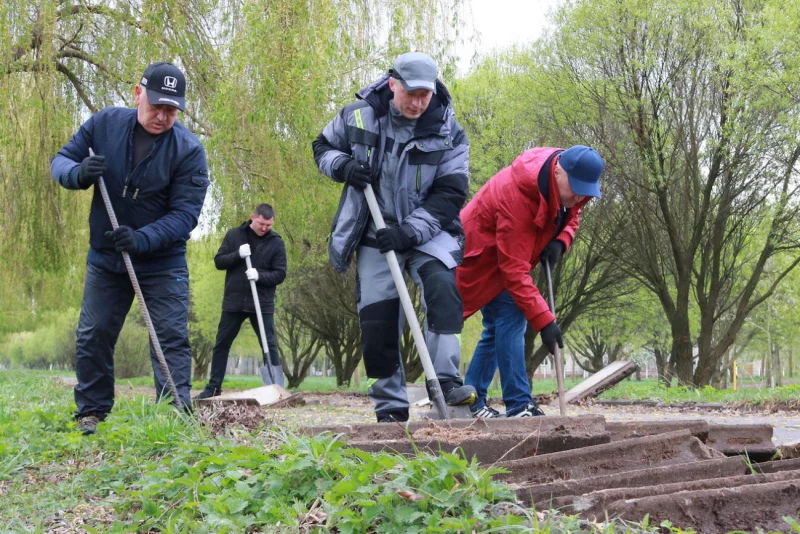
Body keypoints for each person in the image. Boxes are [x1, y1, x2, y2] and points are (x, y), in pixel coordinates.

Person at [312, 51, 476, 422]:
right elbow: (322, 147)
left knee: (442, 289)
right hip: (374, 229)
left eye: (425, 95)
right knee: (377, 318)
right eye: (411, 94)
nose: (418, 103)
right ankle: (389, 407)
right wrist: (344, 166)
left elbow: (450, 193)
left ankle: (447, 382)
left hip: (428, 231)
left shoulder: (449, 131)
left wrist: (407, 232)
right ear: (393, 84)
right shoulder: (358, 115)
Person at [50, 62, 209, 434]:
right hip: (106, 258)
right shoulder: (104, 125)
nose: (162, 116)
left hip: (162, 262)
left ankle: (174, 416)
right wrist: (78, 174)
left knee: (169, 338)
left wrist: (142, 239)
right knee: (94, 334)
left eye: (171, 110)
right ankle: (91, 412)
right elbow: (61, 161)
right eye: (156, 106)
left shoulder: (189, 151)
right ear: (138, 94)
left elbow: (185, 215)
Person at [457, 146, 604, 418]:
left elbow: (573, 212)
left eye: (586, 191)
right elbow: (514, 271)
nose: (579, 196)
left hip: (508, 257)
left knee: (500, 326)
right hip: (481, 258)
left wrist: (562, 240)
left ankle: (472, 402)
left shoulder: (566, 188)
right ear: (558, 170)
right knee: (512, 316)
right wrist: (545, 321)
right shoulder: (517, 198)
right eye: (576, 188)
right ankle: (518, 405)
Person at [195, 204, 287, 399]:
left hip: (261, 303)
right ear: (253, 217)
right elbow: (219, 262)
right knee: (222, 344)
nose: (264, 228)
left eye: (268, 225)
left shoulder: (276, 243)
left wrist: (260, 276)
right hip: (234, 301)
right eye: (261, 224)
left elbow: (280, 274)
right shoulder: (234, 235)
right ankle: (213, 388)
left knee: (269, 345)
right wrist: (238, 255)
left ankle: (277, 389)